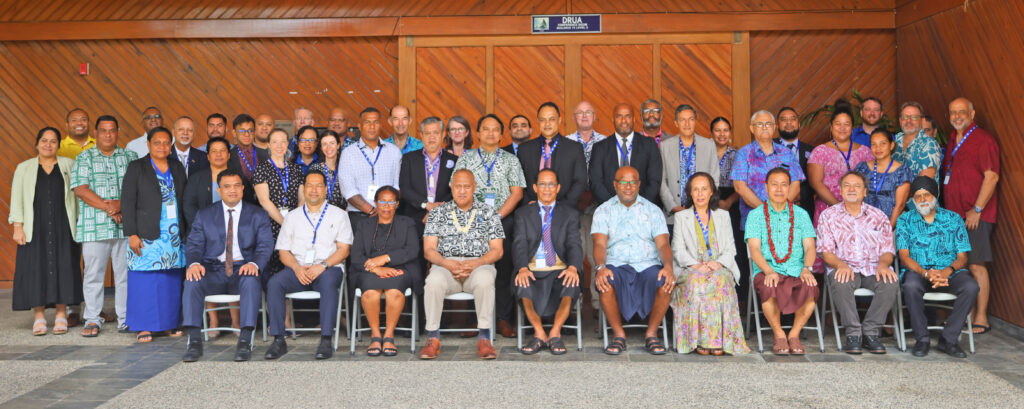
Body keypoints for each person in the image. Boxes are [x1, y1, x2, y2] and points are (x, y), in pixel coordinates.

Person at [181, 169, 274, 362]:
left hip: (242, 269)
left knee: (251, 280)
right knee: (192, 280)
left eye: (236, 186)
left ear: (242, 188)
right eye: (227, 186)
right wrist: (195, 264)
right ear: (219, 190)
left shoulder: (257, 214)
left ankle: (245, 340)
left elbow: (265, 246)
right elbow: (194, 245)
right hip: (213, 270)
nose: (232, 190)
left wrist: (255, 263)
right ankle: (194, 341)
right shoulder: (205, 215)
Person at [264, 171, 353, 360]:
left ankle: (326, 340)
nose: (314, 190)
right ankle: (279, 339)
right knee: (274, 283)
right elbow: (283, 252)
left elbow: (344, 250)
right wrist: (297, 268)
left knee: (329, 284)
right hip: (299, 269)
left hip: (327, 268)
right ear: (303, 189)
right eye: (310, 186)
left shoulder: (338, 215)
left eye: (319, 185)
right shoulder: (292, 216)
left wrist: (322, 266)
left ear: (325, 189)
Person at [419, 169, 505, 360]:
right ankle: (432, 338)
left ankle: (484, 337)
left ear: (474, 187)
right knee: (433, 281)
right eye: (458, 186)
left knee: (485, 279)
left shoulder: (488, 212)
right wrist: (445, 263)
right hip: (445, 265)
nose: (462, 191)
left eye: (467, 186)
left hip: (479, 265)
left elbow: (497, 250)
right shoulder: (438, 213)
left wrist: (477, 263)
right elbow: (429, 250)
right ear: (451, 187)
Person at [455, 114, 526, 338]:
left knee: (503, 270)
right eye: (486, 129)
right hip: (471, 221)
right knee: (473, 268)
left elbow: (517, 192)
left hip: (503, 220)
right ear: (477, 133)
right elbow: (457, 189)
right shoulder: (466, 159)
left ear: (501, 134)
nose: (491, 133)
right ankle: (474, 319)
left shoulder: (510, 159)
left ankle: (503, 319)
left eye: (496, 130)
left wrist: (496, 217)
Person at [593, 166, 673, 355]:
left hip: (647, 263)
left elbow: (663, 245)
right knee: (605, 281)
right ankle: (618, 335)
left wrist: (668, 267)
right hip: (616, 264)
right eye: (623, 182)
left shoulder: (653, 210)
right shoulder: (603, 210)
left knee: (665, 282)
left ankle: (652, 334)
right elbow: (600, 245)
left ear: (639, 184)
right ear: (615, 184)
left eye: (633, 182)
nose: (628, 186)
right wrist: (600, 267)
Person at [10, 127, 82, 335]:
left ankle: (61, 314)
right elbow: (16, 198)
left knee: (65, 267)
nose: (48, 145)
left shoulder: (69, 165)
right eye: (44, 140)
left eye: (52, 141)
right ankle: (39, 316)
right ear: (36, 143)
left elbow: (77, 197)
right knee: (35, 269)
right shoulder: (23, 168)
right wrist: (18, 226)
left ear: (58, 145)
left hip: (63, 225)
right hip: (34, 227)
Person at [817, 172, 899, 354]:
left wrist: (884, 265)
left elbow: (887, 249)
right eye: (847, 185)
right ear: (840, 190)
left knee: (890, 281)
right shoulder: (828, 216)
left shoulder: (878, 216)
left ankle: (870, 331)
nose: (851, 189)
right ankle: (853, 333)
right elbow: (826, 252)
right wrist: (841, 265)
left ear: (864, 192)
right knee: (841, 281)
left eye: (856, 186)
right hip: (844, 266)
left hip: (873, 267)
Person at [72, 115, 137, 337]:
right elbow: (80, 189)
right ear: (96, 133)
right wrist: (110, 208)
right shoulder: (84, 157)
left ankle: (125, 318)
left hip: (125, 227)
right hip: (94, 227)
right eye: (103, 131)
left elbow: (137, 188)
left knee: (125, 274)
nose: (108, 135)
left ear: (118, 132)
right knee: (93, 274)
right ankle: (92, 318)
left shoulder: (130, 157)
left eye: (112, 130)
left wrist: (121, 205)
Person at [897, 176, 977, 358]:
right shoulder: (905, 220)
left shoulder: (954, 219)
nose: (922, 200)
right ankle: (922, 339)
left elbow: (963, 256)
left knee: (971, 287)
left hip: (949, 272)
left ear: (935, 195)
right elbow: (904, 256)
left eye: (926, 195)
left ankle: (948, 339)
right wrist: (926, 273)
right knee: (910, 286)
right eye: (918, 196)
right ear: (913, 200)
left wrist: (946, 272)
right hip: (918, 272)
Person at [670, 172, 748, 355]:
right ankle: (700, 342)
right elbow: (677, 250)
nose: (700, 194)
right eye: (695, 190)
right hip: (689, 268)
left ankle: (720, 341)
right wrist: (695, 265)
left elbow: (731, 249)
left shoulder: (722, 216)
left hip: (718, 266)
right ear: (689, 193)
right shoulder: (682, 217)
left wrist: (718, 264)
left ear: (712, 191)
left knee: (720, 281)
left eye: (704, 189)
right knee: (697, 282)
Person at [121, 126, 187, 343]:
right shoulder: (137, 167)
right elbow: (127, 202)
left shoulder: (176, 166)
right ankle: (143, 325)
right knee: (145, 282)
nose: (162, 146)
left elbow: (183, 199)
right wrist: (131, 233)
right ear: (148, 144)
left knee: (169, 281)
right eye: (157, 142)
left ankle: (168, 324)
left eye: (167, 142)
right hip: (146, 234)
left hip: (173, 235)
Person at [744, 167, 817, 355]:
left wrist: (807, 268)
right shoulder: (755, 215)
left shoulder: (801, 215)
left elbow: (809, 246)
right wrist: (768, 270)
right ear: (766, 187)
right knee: (768, 287)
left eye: (784, 185)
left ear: (790, 188)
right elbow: (754, 249)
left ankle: (793, 334)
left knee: (811, 288)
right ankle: (779, 335)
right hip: (768, 268)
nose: (779, 189)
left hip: (797, 268)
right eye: (774, 184)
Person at [942, 97, 1000, 335]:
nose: (957, 116)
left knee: (976, 265)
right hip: (955, 217)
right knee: (960, 266)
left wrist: (976, 209)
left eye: (962, 112)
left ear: (972, 113)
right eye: (953, 112)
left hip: (974, 216)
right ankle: (965, 314)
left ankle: (982, 317)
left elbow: (992, 177)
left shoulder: (983, 140)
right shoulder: (954, 139)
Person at [512, 169, 583, 355]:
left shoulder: (570, 214)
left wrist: (574, 268)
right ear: (535, 188)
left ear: (558, 188)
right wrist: (522, 268)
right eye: (542, 184)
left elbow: (574, 243)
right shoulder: (523, 214)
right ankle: (539, 332)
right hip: (532, 267)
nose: (547, 189)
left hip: (560, 267)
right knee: (522, 283)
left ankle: (555, 332)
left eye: (551, 184)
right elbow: (519, 244)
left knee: (572, 282)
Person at [349, 186, 422, 356]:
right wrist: (376, 268)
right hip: (369, 270)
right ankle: (375, 335)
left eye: (391, 202)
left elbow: (412, 250)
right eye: (382, 201)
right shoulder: (364, 225)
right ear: (375, 203)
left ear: (397, 204)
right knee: (370, 293)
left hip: (399, 269)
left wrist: (385, 259)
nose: (386, 206)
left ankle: (389, 335)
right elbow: (356, 255)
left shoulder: (407, 223)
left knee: (394, 292)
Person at [182, 137, 237, 334]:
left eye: (223, 150)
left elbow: (246, 207)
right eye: (214, 151)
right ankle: (213, 321)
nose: (219, 154)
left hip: (233, 236)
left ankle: (235, 322)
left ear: (229, 154)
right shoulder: (198, 178)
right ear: (208, 155)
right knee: (205, 272)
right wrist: (203, 229)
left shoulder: (236, 178)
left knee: (233, 272)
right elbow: (188, 206)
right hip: (205, 237)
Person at [730, 110, 805, 228]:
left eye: (768, 124)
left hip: (784, 219)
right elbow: (740, 187)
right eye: (759, 124)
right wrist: (766, 212)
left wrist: (780, 211)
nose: (764, 127)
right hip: (754, 221)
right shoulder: (744, 154)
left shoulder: (787, 153)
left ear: (774, 127)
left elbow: (795, 185)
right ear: (751, 128)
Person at [565, 101, 607, 312]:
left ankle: (600, 308)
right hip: (572, 208)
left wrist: (594, 196)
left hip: (597, 209)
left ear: (594, 116)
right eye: (579, 113)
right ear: (574, 117)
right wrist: (576, 198)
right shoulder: (565, 143)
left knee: (596, 256)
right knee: (573, 255)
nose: (584, 116)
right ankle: (573, 307)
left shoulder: (606, 142)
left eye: (588, 112)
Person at [808, 99, 874, 224]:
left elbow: (870, 182)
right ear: (831, 127)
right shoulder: (820, 151)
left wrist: (854, 209)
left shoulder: (865, 152)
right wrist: (840, 207)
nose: (842, 128)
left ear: (852, 128)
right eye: (838, 124)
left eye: (847, 124)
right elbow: (816, 183)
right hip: (828, 210)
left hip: (858, 212)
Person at [253, 128, 305, 280]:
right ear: (268, 144)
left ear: (288, 144)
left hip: (295, 225)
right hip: (271, 225)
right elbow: (264, 201)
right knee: (272, 269)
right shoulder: (262, 169)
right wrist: (285, 223)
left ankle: (290, 302)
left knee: (292, 265)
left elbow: (302, 198)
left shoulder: (296, 169)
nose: (279, 145)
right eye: (275, 142)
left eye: (283, 141)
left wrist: (293, 222)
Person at [340, 107, 403, 229]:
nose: (372, 126)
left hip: (388, 216)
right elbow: (348, 190)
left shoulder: (394, 152)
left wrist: (384, 210)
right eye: (367, 122)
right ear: (359, 125)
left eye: (376, 122)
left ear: (381, 125)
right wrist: (372, 210)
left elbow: (397, 186)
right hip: (359, 217)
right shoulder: (348, 153)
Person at [590, 103, 662, 205]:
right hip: (610, 211)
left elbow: (655, 181)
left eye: (627, 116)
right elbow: (596, 183)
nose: (623, 120)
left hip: (642, 210)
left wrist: (639, 205)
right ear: (613, 119)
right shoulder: (600, 148)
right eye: (619, 116)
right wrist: (613, 206)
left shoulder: (649, 145)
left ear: (633, 119)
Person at [517, 102, 587, 205]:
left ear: (559, 120)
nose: (547, 124)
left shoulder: (574, 148)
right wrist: (528, 203)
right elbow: (518, 182)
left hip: (564, 211)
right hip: (531, 210)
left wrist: (562, 205)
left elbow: (580, 181)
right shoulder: (524, 149)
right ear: (538, 121)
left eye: (552, 119)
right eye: (543, 120)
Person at [711, 117, 749, 303]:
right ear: (712, 133)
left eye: (726, 130)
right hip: (708, 202)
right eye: (718, 130)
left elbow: (742, 185)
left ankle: (740, 298)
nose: (722, 134)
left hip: (733, 203)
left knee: (736, 249)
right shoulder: (705, 152)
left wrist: (728, 202)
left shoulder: (738, 155)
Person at [659, 104, 720, 220]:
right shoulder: (665, 146)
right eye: (682, 120)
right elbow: (661, 181)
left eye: (691, 119)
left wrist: (703, 205)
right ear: (676, 123)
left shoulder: (709, 145)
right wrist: (673, 207)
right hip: (674, 215)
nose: (687, 124)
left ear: (695, 122)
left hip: (703, 213)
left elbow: (714, 179)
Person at [399, 117, 457, 228]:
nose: (432, 137)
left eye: (436, 132)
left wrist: (436, 211)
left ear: (443, 134)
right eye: (427, 133)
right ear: (421, 135)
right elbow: (405, 188)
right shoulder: (408, 159)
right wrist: (427, 205)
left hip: (444, 219)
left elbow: (454, 192)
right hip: (414, 220)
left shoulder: (454, 160)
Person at [853, 129, 912, 226]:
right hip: (864, 226)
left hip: (891, 226)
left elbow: (900, 205)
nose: (878, 148)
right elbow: (855, 198)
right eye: (874, 144)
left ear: (892, 145)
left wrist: (886, 232)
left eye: (883, 143)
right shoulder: (862, 169)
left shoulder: (902, 172)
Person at [774, 107, 814, 215]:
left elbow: (815, 181)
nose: (788, 122)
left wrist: (799, 194)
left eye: (793, 119)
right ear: (777, 125)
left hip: (804, 207)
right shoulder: (769, 147)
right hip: (775, 206)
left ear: (799, 124)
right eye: (784, 119)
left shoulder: (812, 150)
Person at [892, 102, 941, 183]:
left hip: (919, 195)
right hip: (892, 194)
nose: (909, 120)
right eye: (905, 117)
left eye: (914, 117)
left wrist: (902, 194)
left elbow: (925, 180)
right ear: (900, 120)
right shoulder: (894, 140)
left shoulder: (929, 144)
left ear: (922, 121)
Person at [227, 114, 269, 205]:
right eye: (242, 131)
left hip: (264, 207)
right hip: (239, 206)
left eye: (250, 130)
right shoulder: (228, 156)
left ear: (254, 132)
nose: (247, 134)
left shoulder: (266, 154)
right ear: (234, 133)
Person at [308, 131, 348, 211]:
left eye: (332, 143)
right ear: (321, 148)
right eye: (325, 144)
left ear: (338, 145)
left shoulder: (346, 168)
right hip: (321, 213)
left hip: (343, 214)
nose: (328, 147)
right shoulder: (315, 169)